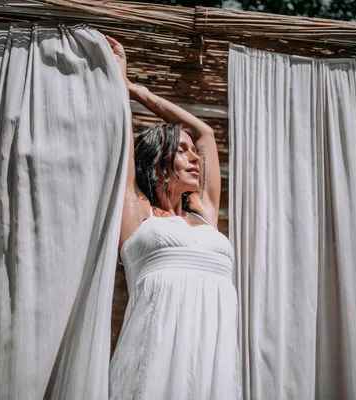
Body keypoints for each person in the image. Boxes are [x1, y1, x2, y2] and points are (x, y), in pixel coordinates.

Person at [106, 36, 241, 400]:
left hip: (214, 355)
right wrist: (123, 87)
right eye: (182, 151)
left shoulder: (205, 214)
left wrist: (142, 92)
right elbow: (122, 135)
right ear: (157, 160)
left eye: (193, 153)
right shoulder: (137, 211)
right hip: (156, 350)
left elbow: (205, 132)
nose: (195, 157)